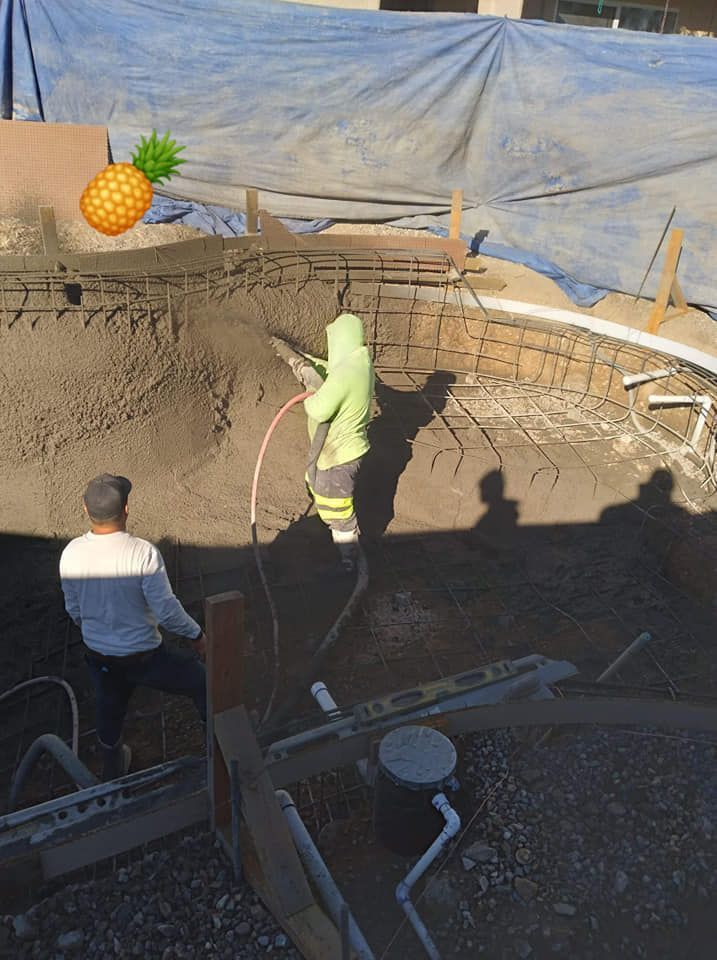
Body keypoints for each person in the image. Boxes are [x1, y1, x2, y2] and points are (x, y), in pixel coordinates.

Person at [60, 474, 207, 781]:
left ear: (85, 510)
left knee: (109, 709)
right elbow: (166, 611)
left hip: (100, 657)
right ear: (126, 509)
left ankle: (113, 770)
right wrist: (196, 634)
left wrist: (100, 631)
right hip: (146, 658)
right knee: (202, 683)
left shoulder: (71, 553)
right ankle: (217, 746)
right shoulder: (142, 553)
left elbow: (73, 609)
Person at [271, 312, 374, 571]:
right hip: (341, 451)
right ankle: (338, 535)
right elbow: (330, 370)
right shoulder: (359, 362)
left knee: (336, 509)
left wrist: (309, 386)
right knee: (317, 484)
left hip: (338, 457)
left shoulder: (348, 373)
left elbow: (318, 409)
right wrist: (304, 360)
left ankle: (349, 556)